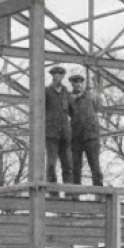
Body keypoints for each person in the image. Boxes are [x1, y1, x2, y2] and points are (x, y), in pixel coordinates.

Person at [68, 72, 104, 187]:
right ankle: (75, 193)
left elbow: (98, 103)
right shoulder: (69, 98)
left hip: (90, 135)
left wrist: (97, 83)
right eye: (75, 83)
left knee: (94, 165)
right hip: (76, 136)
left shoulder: (90, 97)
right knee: (75, 167)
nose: (78, 85)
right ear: (72, 84)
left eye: (80, 83)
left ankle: (99, 191)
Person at [44, 65, 72, 195]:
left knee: (67, 165)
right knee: (51, 164)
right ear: (52, 76)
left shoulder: (66, 92)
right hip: (51, 133)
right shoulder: (46, 91)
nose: (57, 77)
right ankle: (53, 192)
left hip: (65, 133)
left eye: (60, 75)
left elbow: (73, 111)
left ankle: (69, 192)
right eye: (55, 75)